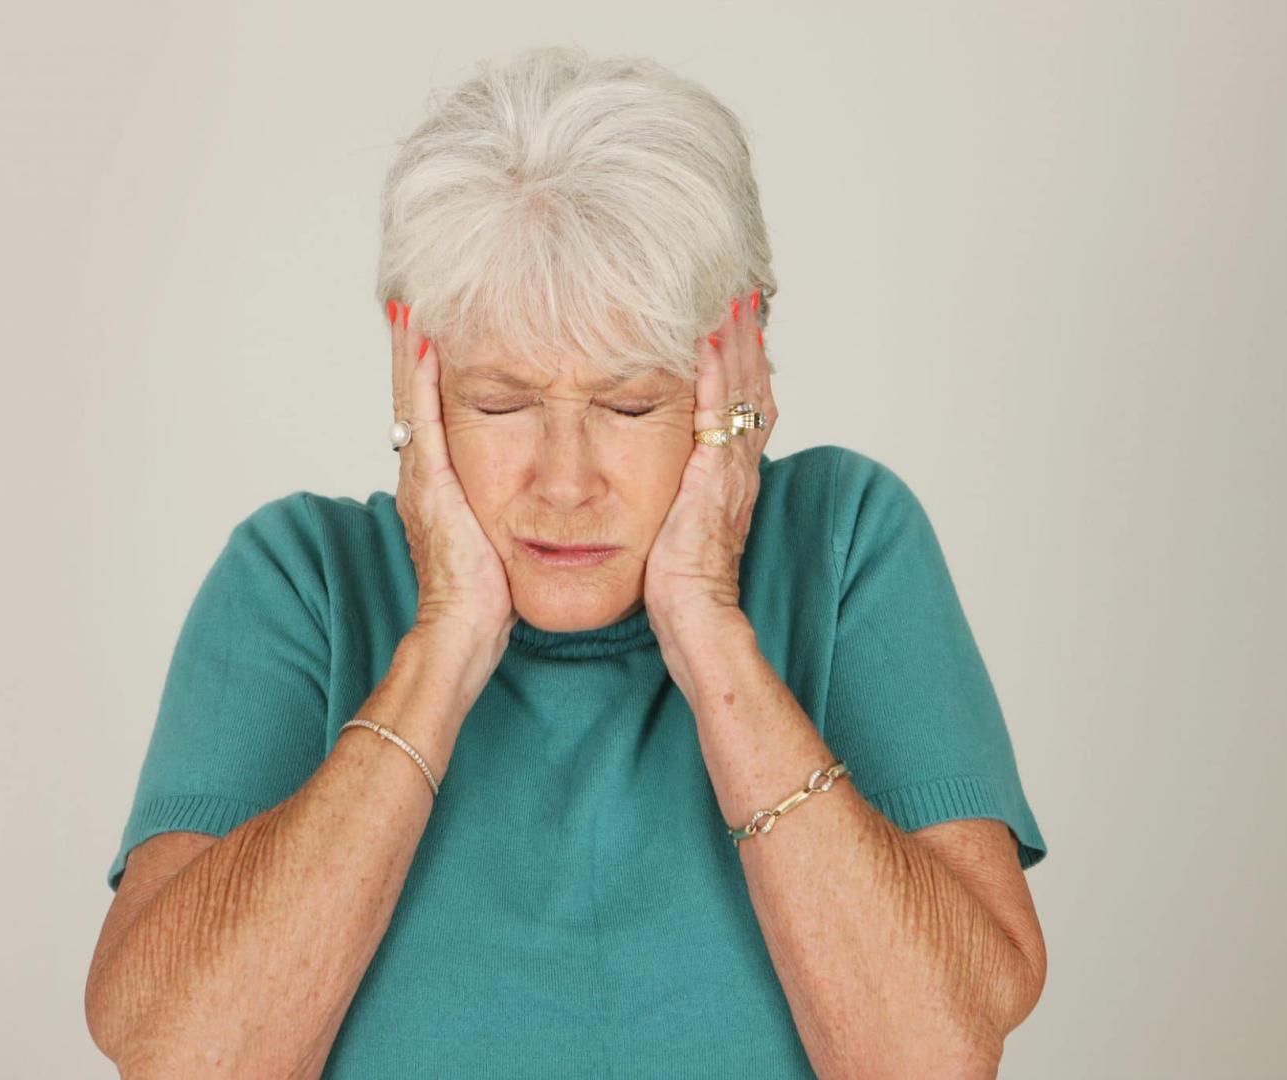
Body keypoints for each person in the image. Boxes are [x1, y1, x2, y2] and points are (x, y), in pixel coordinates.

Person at [84, 44, 1049, 1078]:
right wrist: (446, 641)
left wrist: (707, 625)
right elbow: (180, 1059)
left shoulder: (847, 537)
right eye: (500, 403)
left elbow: (935, 1057)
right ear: (417, 373)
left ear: (741, 362)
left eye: (629, 405)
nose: (564, 481)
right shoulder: (301, 579)